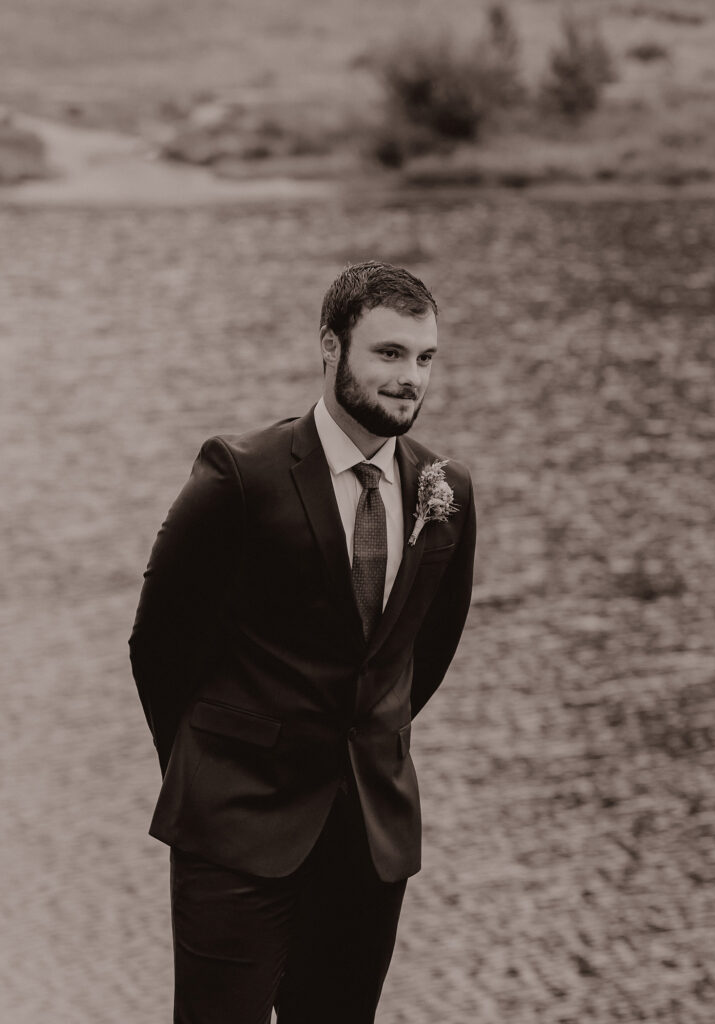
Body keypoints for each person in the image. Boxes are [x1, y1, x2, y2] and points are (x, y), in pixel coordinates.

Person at [129, 260, 476, 1024]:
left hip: (369, 839)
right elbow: (159, 641)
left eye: (424, 359)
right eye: (388, 353)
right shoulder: (239, 476)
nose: (409, 378)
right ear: (330, 347)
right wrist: (209, 768)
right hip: (237, 829)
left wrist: (370, 737)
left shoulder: (443, 491)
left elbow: (424, 649)